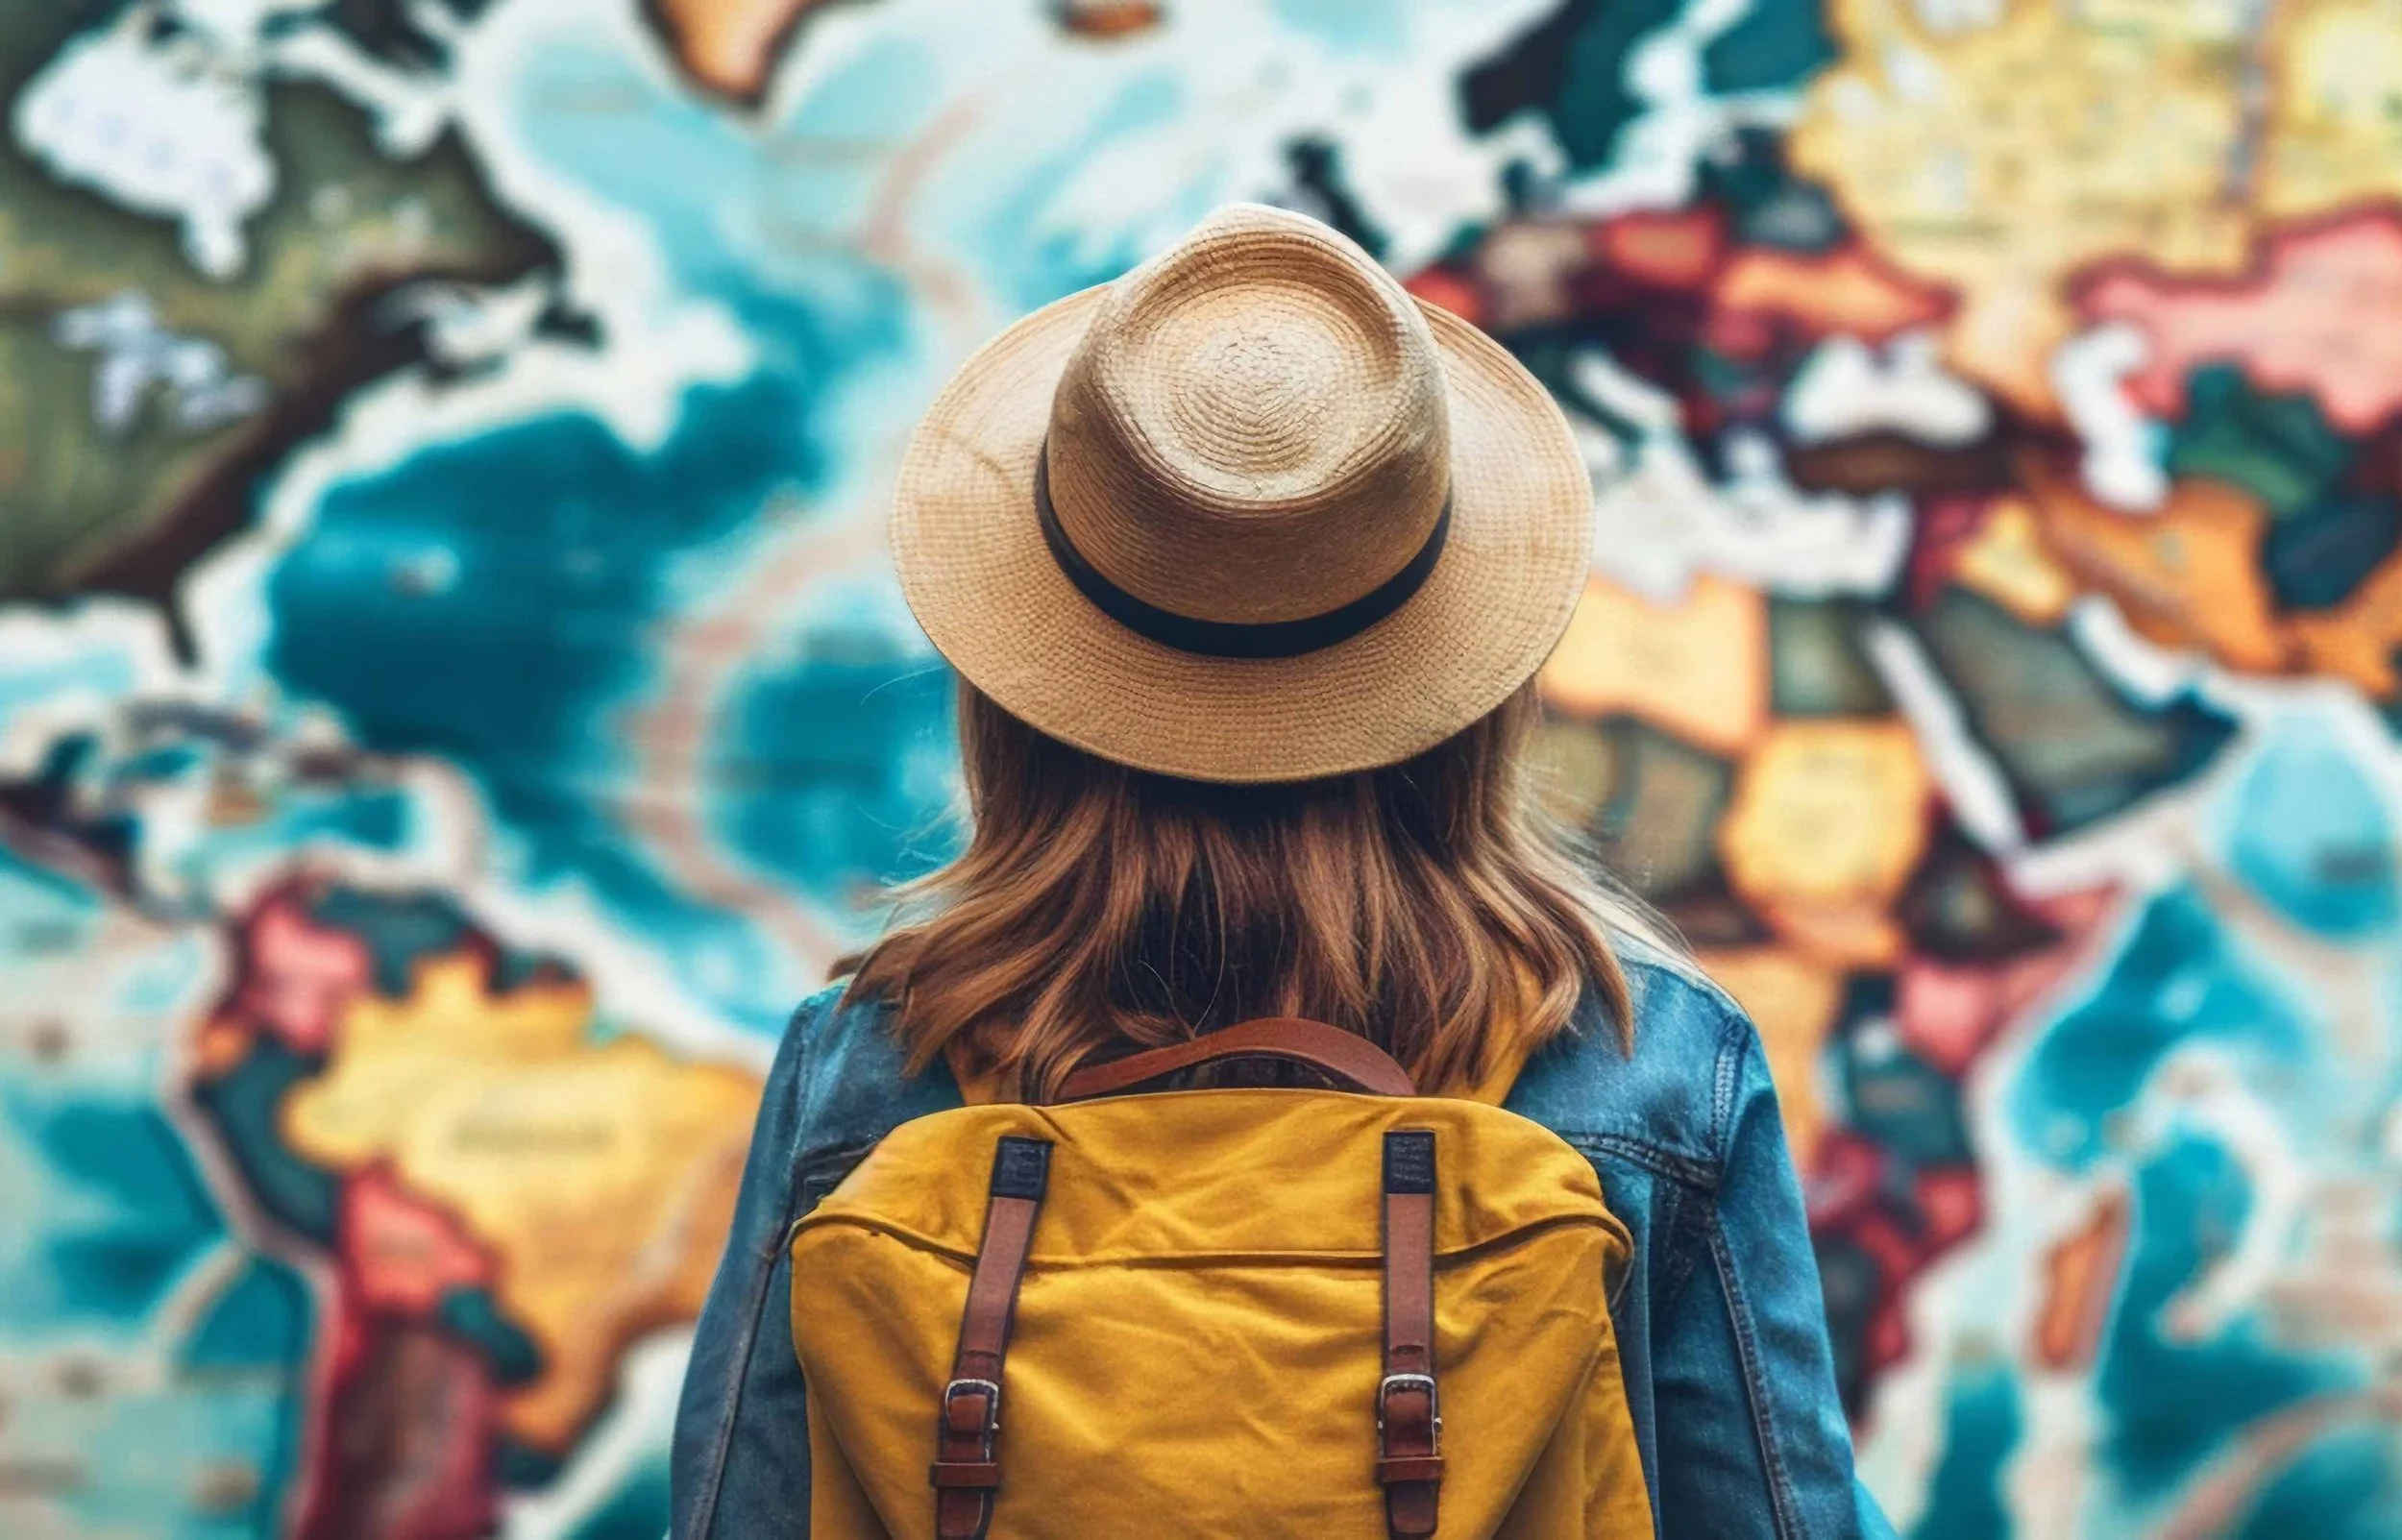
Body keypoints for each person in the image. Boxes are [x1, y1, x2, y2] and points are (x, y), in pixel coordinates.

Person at [670, 203, 1893, 1537]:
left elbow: (741, 1511)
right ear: (1464, 689)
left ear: (1026, 691)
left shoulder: (871, 1069)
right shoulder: (1641, 1067)